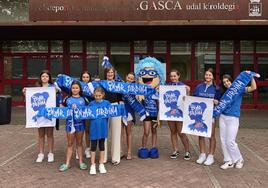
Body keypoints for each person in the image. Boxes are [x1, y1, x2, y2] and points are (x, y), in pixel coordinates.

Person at [219, 72, 256, 170]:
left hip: (233, 118)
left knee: (230, 141)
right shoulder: (223, 92)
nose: (226, 83)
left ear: (232, 81)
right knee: (223, 140)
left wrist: (251, 77)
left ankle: (239, 159)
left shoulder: (238, 90)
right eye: (224, 82)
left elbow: (253, 88)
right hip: (222, 117)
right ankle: (228, 160)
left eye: (228, 81)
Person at [23, 70, 61, 163]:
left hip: (49, 114)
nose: (44, 78)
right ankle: (41, 153)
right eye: (43, 76)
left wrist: (57, 91)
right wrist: (25, 93)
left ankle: (51, 153)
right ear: (40, 78)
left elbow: (59, 97)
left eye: (46, 76)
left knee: (50, 135)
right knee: (40, 135)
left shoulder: (53, 87)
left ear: (49, 78)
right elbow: (29, 99)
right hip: (39, 115)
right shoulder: (37, 88)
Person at [193, 68, 221, 166]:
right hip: (199, 115)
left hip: (211, 114)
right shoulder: (199, 86)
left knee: (211, 135)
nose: (207, 76)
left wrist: (217, 102)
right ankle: (202, 154)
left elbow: (220, 101)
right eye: (206, 75)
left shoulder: (216, 88)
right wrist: (186, 97)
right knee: (201, 134)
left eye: (209, 75)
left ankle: (211, 156)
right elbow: (194, 98)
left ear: (213, 77)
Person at [59, 80, 88, 172]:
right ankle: (67, 163)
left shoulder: (84, 99)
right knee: (70, 144)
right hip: (70, 124)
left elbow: (88, 110)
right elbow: (61, 107)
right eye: (73, 88)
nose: (75, 89)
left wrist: (79, 109)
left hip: (80, 124)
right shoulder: (67, 98)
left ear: (80, 89)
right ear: (71, 89)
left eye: (77, 88)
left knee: (79, 143)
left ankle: (81, 162)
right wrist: (67, 108)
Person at [167, 69, 191, 160]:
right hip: (170, 113)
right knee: (173, 131)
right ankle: (175, 150)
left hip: (180, 113)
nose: (173, 78)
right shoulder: (167, 86)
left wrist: (188, 92)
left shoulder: (183, 86)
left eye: (174, 76)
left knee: (181, 132)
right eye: (171, 76)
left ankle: (187, 151)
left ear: (178, 76)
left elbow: (188, 100)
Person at [103, 67, 123, 165]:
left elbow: (121, 97)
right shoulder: (102, 84)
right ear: (105, 74)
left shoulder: (118, 84)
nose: (110, 74)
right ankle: (103, 157)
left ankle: (115, 158)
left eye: (112, 72)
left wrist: (120, 104)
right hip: (104, 107)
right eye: (108, 72)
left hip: (116, 107)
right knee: (104, 133)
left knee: (116, 133)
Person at [88, 87, 110, 175]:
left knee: (102, 145)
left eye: (99, 95)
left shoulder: (107, 103)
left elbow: (112, 112)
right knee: (93, 146)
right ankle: (92, 165)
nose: (97, 97)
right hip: (93, 127)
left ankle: (101, 164)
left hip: (103, 127)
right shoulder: (91, 104)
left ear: (103, 95)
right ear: (93, 95)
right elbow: (86, 114)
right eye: (96, 95)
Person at [79, 71, 93, 159]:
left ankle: (88, 149)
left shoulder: (92, 87)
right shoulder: (78, 87)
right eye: (83, 77)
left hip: (88, 112)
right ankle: (78, 150)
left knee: (87, 131)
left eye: (87, 77)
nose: (85, 79)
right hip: (79, 112)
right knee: (79, 132)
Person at [121, 72, 135, 160]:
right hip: (121, 111)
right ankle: (121, 151)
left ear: (133, 80)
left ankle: (129, 152)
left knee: (128, 132)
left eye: (131, 79)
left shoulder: (135, 88)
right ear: (126, 77)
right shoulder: (121, 86)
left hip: (129, 112)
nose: (129, 80)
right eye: (128, 78)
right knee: (120, 132)